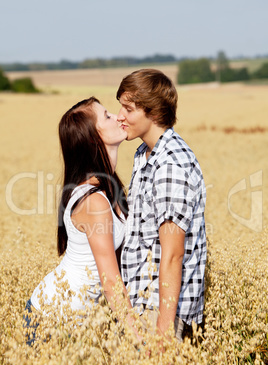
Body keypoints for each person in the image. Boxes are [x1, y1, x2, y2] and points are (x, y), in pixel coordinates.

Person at [24, 97, 135, 345]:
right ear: (94, 139)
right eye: (107, 116)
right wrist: (138, 339)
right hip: (52, 319)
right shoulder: (94, 201)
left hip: (72, 320)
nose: (118, 117)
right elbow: (110, 282)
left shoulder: (107, 185)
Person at [116, 69, 207, 343]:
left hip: (160, 312)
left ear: (153, 112)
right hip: (143, 304)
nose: (120, 116)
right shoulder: (144, 153)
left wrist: (163, 336)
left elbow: (172, 255)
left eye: (128, 109)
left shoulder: (169, 164)